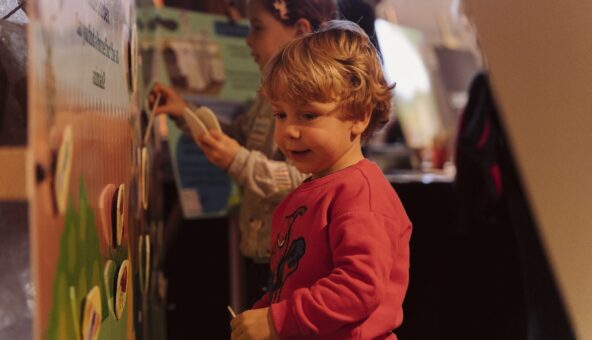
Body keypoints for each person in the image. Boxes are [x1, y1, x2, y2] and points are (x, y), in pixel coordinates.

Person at [230, 20, 412, 340]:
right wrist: (262, 314)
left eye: (308, 115)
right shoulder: (310, 191)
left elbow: (358, 287)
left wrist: (275, 320)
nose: (289, 131)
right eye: (280, 114)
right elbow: (290, 285)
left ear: (359, 116)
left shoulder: (361, 195)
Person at [150, 0, 339, 307]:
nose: (248, 40)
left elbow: (305, 181)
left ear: (300, 31)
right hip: (260, 257)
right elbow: (240, 136)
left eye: (257, 28)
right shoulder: (270, 95)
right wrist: (185, 112)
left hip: (290, 265)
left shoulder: (318, 106)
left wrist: (238, 161)